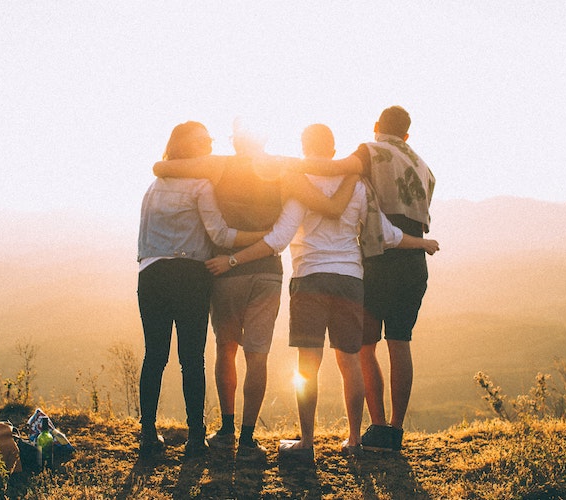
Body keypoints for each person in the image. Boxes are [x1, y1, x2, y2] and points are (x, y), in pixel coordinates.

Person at [205, 124, 439, 462]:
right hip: (350, 280)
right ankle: (355, 440)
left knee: (308, 365)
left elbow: (279, 239)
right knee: (350, 362)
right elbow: (386, 234)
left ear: (304, 146)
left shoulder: (300, 183)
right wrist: (422, 243)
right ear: (333, 150)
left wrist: (233, 259)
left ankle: (307, 443)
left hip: (309, 279)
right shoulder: (357, 185)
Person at [151, 120, 357, 463]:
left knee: (226, 348)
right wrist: (353, 172)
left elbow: (162, 167)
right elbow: (326, 204)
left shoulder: (219, 165)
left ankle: (226, 430)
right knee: (257, 355)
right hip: (267, 272)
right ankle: (248, 440)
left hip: (225, 271)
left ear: (235, 141)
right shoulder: (284, 169)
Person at [298, 106, 437, 452]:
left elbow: (333, 169)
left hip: (378, 259)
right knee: (400, 343)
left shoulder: (369, 151)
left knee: (365, 345)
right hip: (413, 260)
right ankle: (395, 430)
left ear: (377, 127)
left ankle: (374, 427)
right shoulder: (424, 167)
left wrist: (287, 167)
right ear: (407, 135)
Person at [136, 121, 268, 459]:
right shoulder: (201, 185)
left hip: (151, 274)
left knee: (155, 356)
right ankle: (196, 438)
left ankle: (148, 435)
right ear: (187, 146)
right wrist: (262, 237)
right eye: (203, 140)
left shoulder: (154, 186)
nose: (209, 143)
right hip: (190, 276)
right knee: (191, 359)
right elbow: (221, 236)